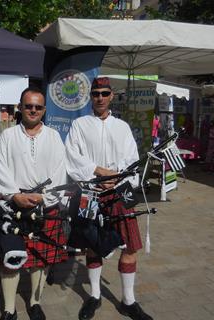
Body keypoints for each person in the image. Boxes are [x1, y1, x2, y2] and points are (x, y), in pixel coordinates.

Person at [65, 77, 153, 320]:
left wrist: (117, 178)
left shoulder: (122, 127)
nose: (100, 98)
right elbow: (72, 157)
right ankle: (94, 295)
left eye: (104, 93)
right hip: (92, 192)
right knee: (92, 246)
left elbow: (131, 160)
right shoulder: (80, 125)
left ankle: (128, 300)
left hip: (119, 192)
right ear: (91, 97)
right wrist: (98, 172)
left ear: (112, 95)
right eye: (96, 94)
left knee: (131, 246)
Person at [0, 87, 68, 320]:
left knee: (40, 259)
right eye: (28, 106)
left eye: (38, 106)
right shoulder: (8, 136)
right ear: (20, 108)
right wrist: (14, 195)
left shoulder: (54, 136)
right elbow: (1, 169)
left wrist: (45, 198)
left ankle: (35, 303)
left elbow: (60, 172)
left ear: (44, 110)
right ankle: (9, 309)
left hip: (45, 204)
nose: (33, 110)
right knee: (10, 259)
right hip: (14, 205)